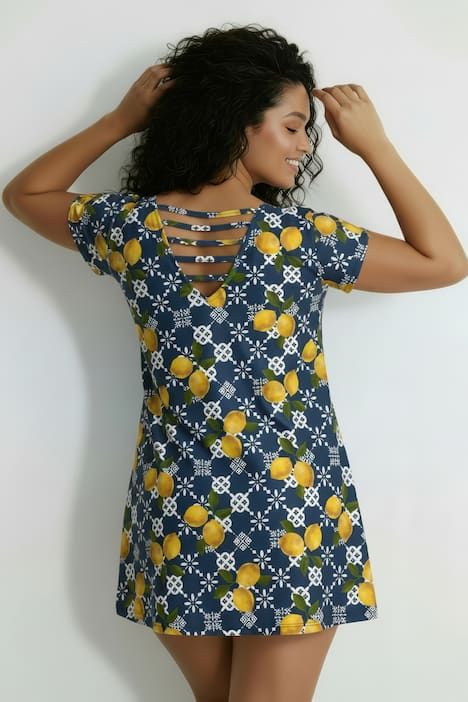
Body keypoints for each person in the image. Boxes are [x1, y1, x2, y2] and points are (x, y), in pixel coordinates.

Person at [3, 22, 466, 702]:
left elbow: (26, 196)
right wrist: (375, 146)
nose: (306, 145)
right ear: (235, 122)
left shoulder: (129, 228)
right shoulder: (303, 238)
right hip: (291, 509)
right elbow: (444, 261)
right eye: (294, 126)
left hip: (178, 508)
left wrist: (121, 121)